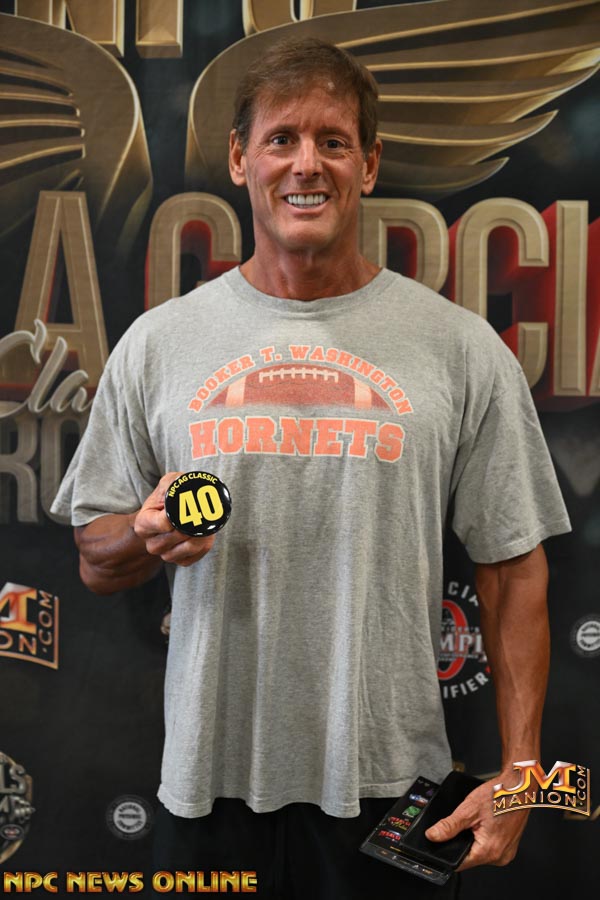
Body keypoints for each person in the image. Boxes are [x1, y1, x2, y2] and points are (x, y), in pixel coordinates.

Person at [51, 37, 571, 899]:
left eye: (333, 141)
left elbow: (514, 568)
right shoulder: (161, 343)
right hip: (208, 785)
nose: (307, 165)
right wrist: (143, 533)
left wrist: (523, 776)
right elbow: (95, 555)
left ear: (369, 164)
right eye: (282, 140)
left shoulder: (459, 348)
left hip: (397, 789)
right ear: (240, 160)